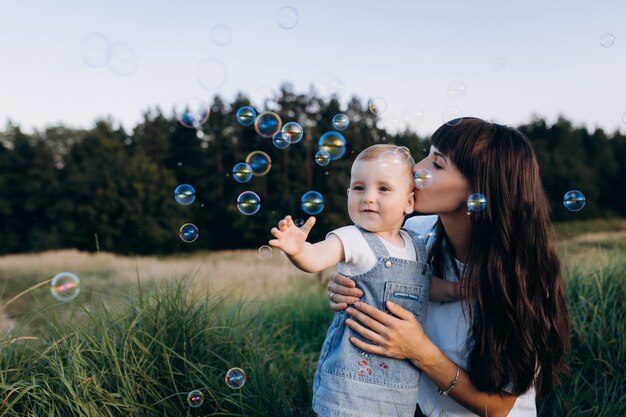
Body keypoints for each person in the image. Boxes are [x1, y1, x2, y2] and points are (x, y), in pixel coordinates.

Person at [326, 118, 571, 417]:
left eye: (437, 164)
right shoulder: (415, 235)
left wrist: (419, 350)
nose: (416, 168)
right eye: (427, 153)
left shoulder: (521, 280)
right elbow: (364, 262)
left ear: (480, 188)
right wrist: (345, 284)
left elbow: (498, 408)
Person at [269, 144, 459, 417]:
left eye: (383, 189)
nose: (368, 198)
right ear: (348, 194)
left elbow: (426, 286)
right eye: (359, 188)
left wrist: (456, 289)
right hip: (349, 385)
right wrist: (298, 249)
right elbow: (316, 258)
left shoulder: (416, 245)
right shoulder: (352, 238)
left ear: (409, 202)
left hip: (399, 388)